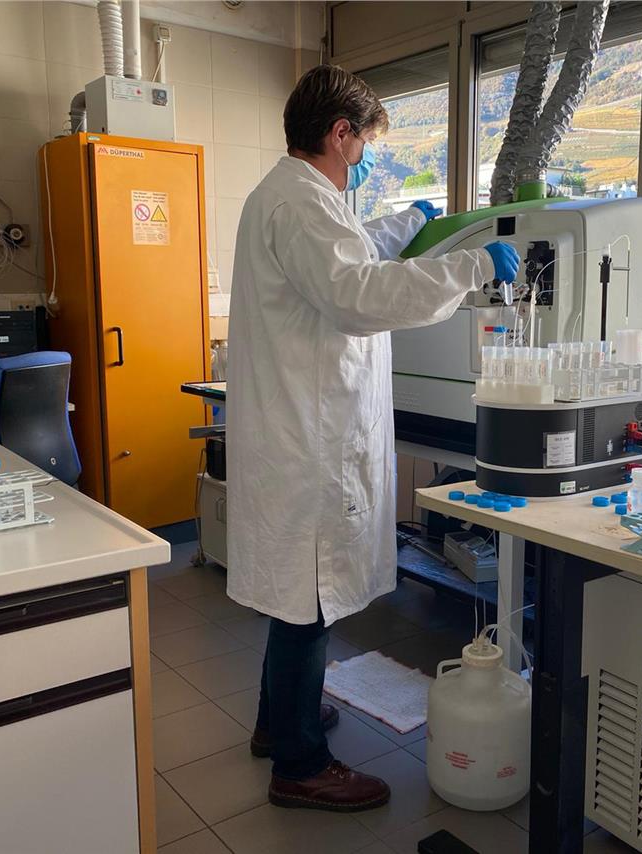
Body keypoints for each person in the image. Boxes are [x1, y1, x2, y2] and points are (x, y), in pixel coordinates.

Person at [224, 64, 519, 812]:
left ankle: (276, 724)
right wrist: (470, 266)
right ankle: (299, 765)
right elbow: (355, 292)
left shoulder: (291, 197)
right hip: (307, 443)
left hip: (298, 435)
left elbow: (349, 252)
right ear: (339, 133)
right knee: (309, 602)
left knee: (296, 599)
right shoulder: (300, 203)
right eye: (362, 146)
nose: (363, 160)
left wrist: (404, 222)